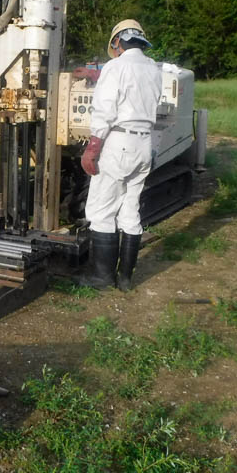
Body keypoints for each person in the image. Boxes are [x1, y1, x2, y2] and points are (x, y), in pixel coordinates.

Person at [71, 19, 160, 291]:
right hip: (144, 143)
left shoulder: (115, 66)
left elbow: (105, 109)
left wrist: (92, 148)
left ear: (118, 42)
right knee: (130, 210)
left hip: (118, 142)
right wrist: (99, 75)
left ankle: (101, 277)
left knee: (101, 209)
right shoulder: (153, 68)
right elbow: (133, 88)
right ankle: (125, 279)